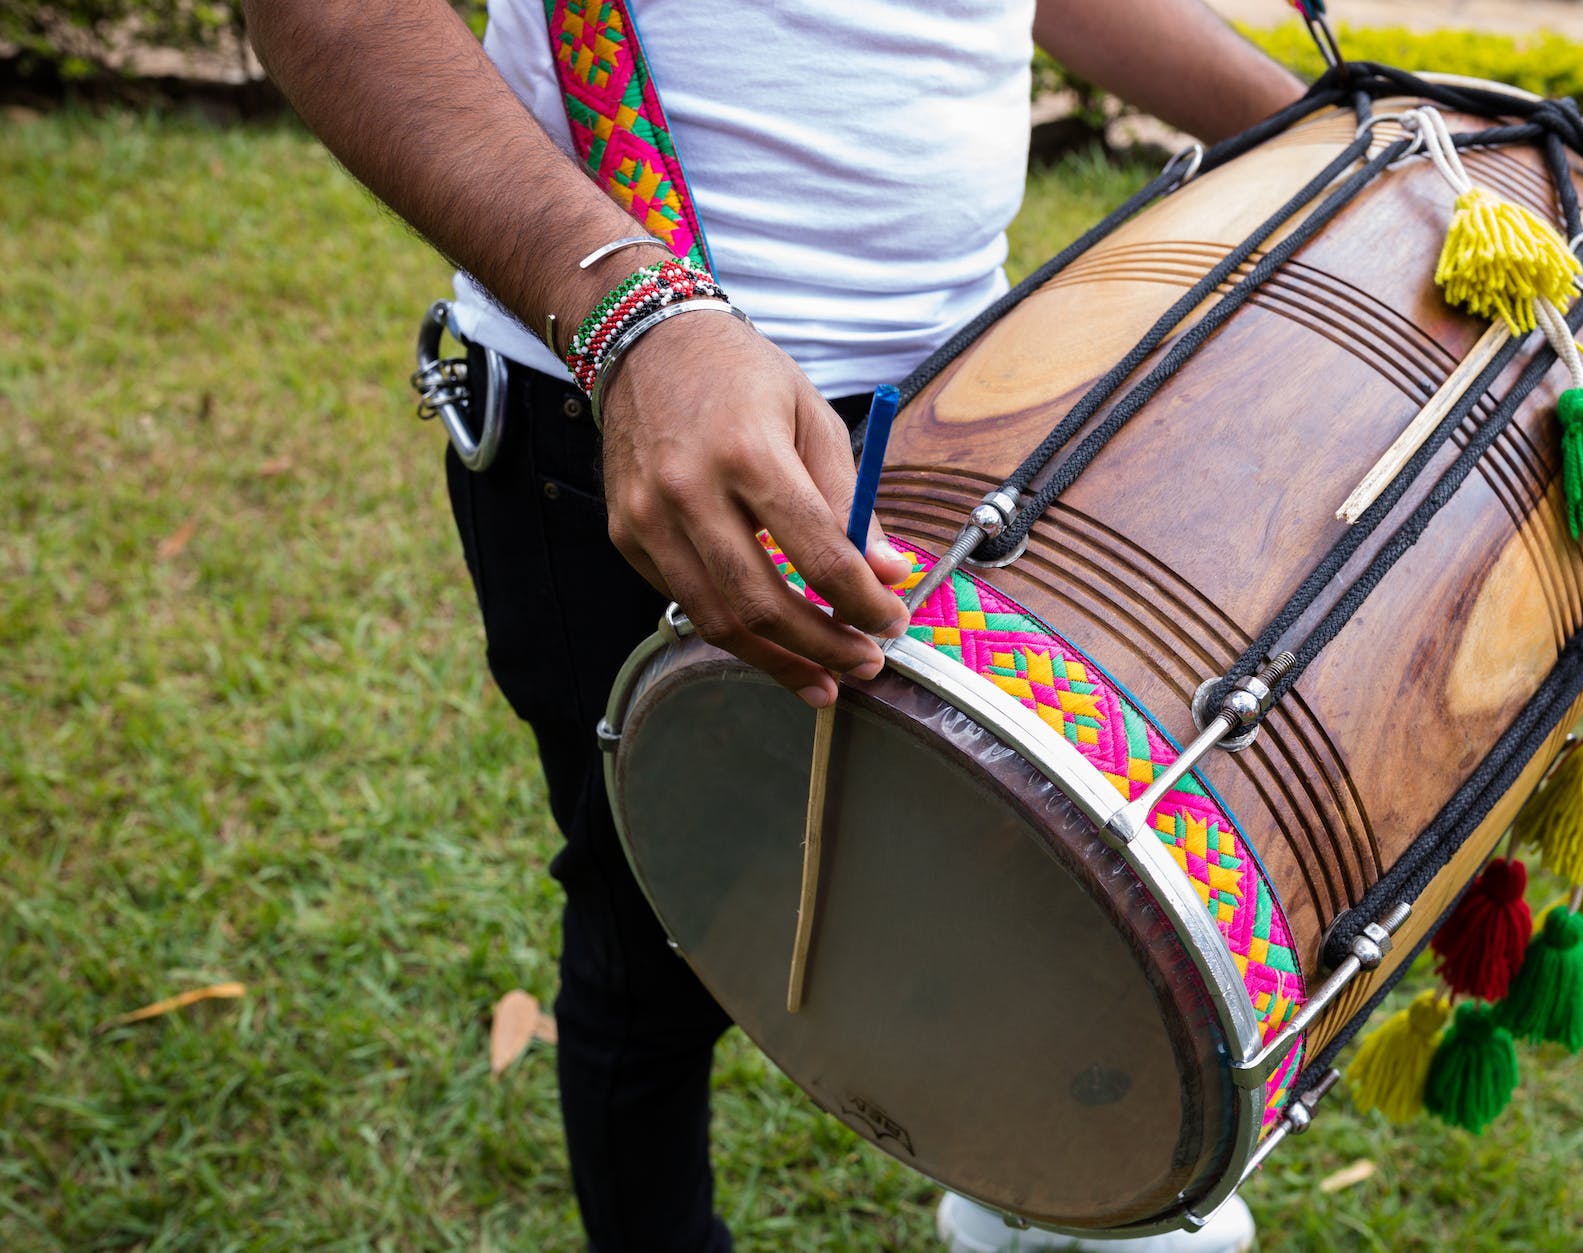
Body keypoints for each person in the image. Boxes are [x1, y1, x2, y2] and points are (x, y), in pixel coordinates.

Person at [243, 1, 1305, 1247]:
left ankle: (1035, 1204)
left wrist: (1340, 119)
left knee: (1032, 880)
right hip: (623, 412)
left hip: (976, 407)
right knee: (656, 944)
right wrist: (629, 315)